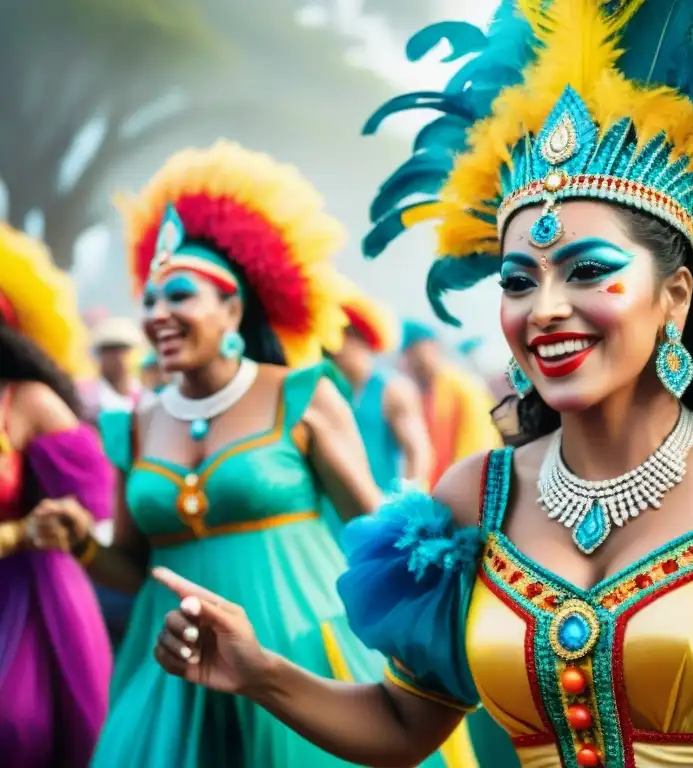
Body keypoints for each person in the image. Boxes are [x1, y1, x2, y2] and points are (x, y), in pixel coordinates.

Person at [151, 2, 693, 766]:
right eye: (519, 281)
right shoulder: (473, 501)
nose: (545, 309)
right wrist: (259, 671)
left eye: (587, 271)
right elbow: (401, 722)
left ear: (673, 297)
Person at [32, 141, 403, 768]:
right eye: (148, 302)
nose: (157, 316)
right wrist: (81, 544)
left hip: (298, 654)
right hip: (173, 671)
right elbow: (133, 566)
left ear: (233, 308)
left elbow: (374, 530)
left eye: (179, 296)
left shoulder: (300, 394)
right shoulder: (134, 425)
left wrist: (413, 637)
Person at [0, 223, 114, 767]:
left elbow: (96, 502)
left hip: (26, 598)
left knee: (20, 728)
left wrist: (64, 520)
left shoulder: (27, 401)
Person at [332, 291, 433, 493]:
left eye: (340, 337)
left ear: (357, 338)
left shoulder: (393, 389)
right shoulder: (328, 386)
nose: (333, 349)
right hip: (331, 511)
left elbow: (418, 453)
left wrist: (402, 503)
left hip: (378, 507)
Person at [400, 319, 503, 488]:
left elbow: (478, 447)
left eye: (417, 353)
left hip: (468, 487)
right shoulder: (426, 390)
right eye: (408, 355)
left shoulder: (462, 387)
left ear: (433, 347)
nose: (413, 362)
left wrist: (457, 490)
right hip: (442, 489)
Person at [80, 316, 146, 422]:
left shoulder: (145, 396)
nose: (118, 357)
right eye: (110, 350)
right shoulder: (87, 400)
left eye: (123, 350)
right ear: (100, 355)